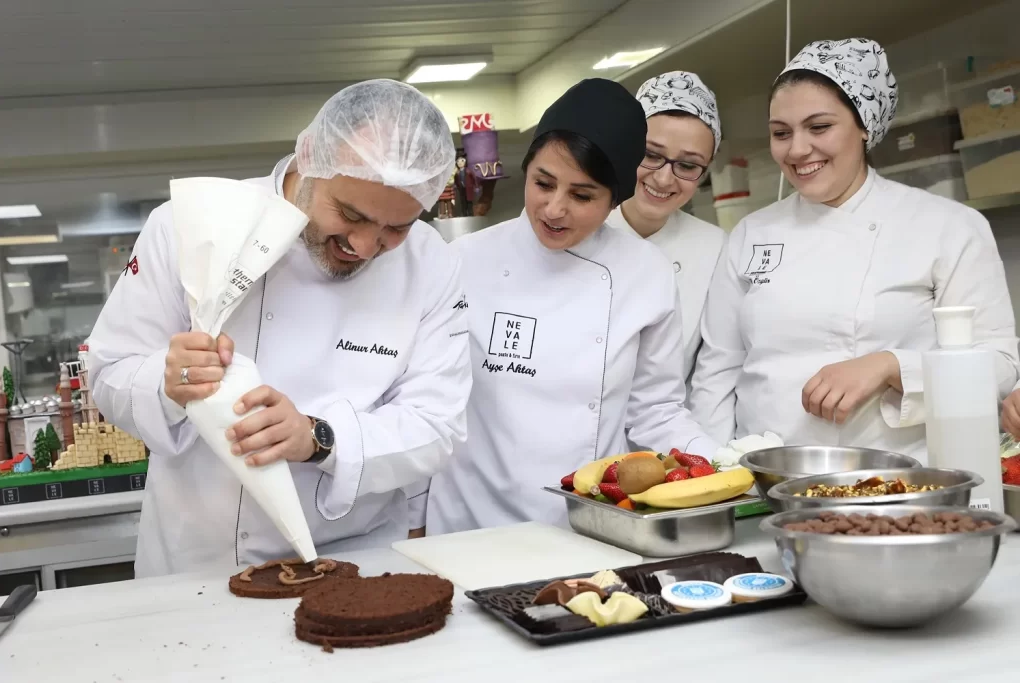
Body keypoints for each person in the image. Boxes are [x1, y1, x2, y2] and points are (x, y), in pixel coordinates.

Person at [86, 79, 471, 577]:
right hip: (198, 561)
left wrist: (319, 438)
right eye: (350, 214)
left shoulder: (431, 265)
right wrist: (169, 382)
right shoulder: (189, 225)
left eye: (396, 228)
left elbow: (436, 424)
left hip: (352, 560)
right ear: (309, 156)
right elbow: (109, 373)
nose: (365, 244)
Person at [690, 38, 1019, 463]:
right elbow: (717, 372)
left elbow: (1000, 364)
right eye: (780, 133)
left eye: (819, 127)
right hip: (768, 481)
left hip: (903, 480)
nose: (797, 149)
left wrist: (892, 366)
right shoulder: (751, 233)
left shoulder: (948, 226)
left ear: (865, 126)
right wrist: (713, 473)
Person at [425, 78, 720, 535]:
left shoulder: (647, 273)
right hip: (469, 522)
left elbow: (655, 411)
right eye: (543, 183)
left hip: (589, 521)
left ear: (614, 198)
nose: (554, 209)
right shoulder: (463, 262)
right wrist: (411, 517)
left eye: (582, 196)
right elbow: (426, 405)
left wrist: (721, 466)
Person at [605, 71, 726, 387]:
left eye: (687, 165)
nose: (663, 179)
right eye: (651, 155)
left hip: (669, 430)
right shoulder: (575, 229)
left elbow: (715, 369)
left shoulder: (715, 249)